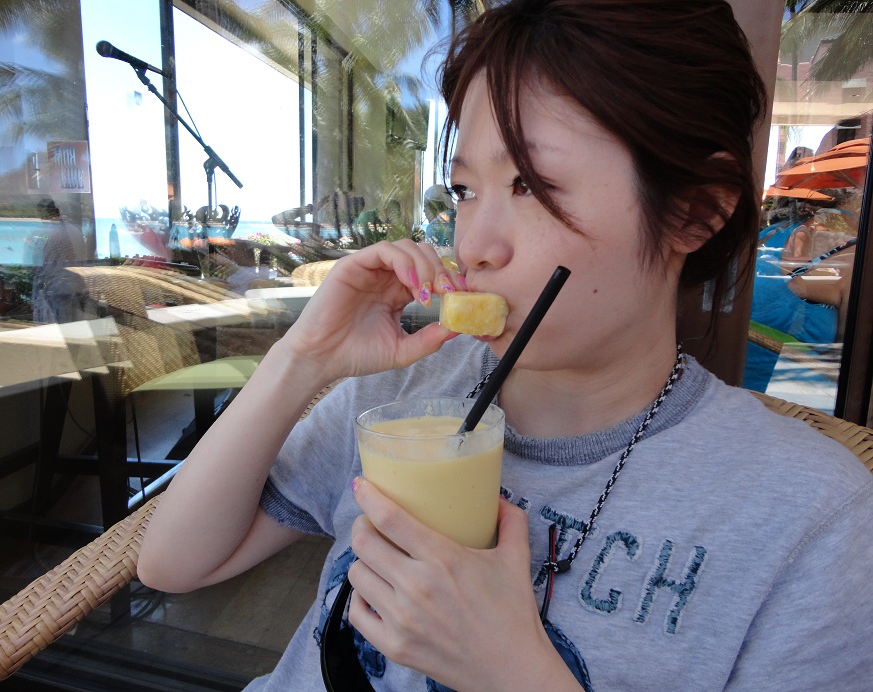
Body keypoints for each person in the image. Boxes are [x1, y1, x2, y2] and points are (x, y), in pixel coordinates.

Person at [137, 1, 873, 689]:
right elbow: (174, 563)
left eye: (530, 186)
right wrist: (303, 359)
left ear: (694, 212)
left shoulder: (808, 522)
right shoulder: (402, 399)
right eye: (464, 191)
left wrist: (511, 670)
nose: (474, 245)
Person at [422, 184, 457, 249]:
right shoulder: (458, 220)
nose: (424, 211)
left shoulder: (434, 227)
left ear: (434, 207)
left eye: (425, 206)